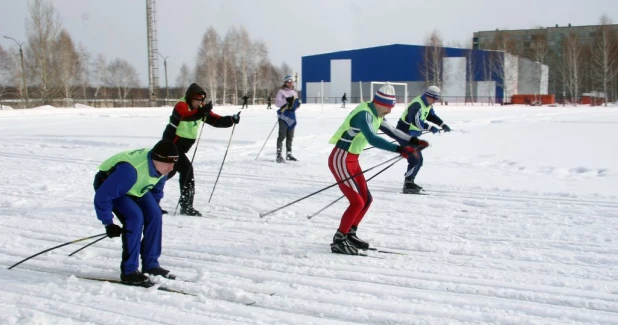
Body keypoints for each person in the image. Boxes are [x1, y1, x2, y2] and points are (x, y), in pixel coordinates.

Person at [328, 82, 429, 255]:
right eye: (389, 107)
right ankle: (339, 240)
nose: (390, 111)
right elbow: (373, 139)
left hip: (352, 159)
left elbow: (392, 131)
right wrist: (399, 149)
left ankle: (350, 233)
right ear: (380, 103)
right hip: (341, 158)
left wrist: (413, 142)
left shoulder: (377, 114)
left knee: (366, 199)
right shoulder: (364, 115)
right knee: (357, 201)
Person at [93, 140, 179, 286]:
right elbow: (103, 196)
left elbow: (157, 188)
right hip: (112, 185)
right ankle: (129, 271)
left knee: (155, 215)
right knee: (135, 218)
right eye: (168, 164)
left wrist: (154, 207)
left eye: (173, 163)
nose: (171, 168)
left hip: (136, 186)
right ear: (156, 160)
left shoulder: (162, 168)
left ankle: (151, 265)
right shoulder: (130, 171)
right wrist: (108, 223)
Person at [161, 83, 240, 216]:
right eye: (196, 100)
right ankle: (186, 206)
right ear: (189, 97)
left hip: (180, 147)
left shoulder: (200, 109)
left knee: (167, 173)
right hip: (171, 145)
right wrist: (201, 112)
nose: (198, 103)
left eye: (200, 100)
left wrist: (231, 120)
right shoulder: (181, 105)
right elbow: (187, 116)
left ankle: (146, 197)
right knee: (186, 171)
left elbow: (215, 120)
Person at [396, 85, 451, 194]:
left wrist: (442, 124)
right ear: (428, 96)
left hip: (411, 135)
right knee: (415, 159)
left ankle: (410, 182)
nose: (435, 101)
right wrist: (430, 128)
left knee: (419, 161)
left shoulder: (427, 104)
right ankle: (407, 185)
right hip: (404, 133)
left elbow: (431, 116)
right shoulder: (417, 104)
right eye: (434, 99)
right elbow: (415, 122)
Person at [275, 75, 301, 163]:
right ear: (285, 83)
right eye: (288, 81)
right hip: (283, 116)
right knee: (282, 136)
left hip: (291, 116)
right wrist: (286, 100)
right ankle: (279, 155)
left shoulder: (295, 92)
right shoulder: (281, 92)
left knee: (290, 137)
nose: (290, 83)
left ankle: (289, 154)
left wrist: (296, 105)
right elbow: (277, 103)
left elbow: (294, 104)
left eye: (291, 81)